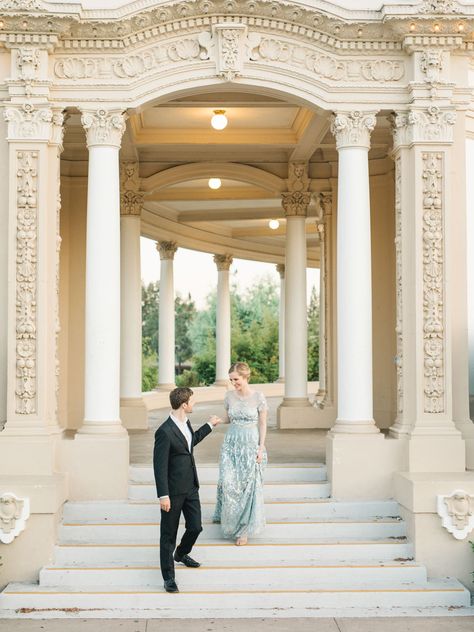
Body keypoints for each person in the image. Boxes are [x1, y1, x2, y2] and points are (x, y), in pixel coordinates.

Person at [153, 386, 221, 593]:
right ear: (184, 404)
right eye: (193, 401)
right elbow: (159, 466)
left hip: (191, 487)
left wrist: (210, 425)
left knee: (195, 527)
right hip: (172, 493)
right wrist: (163, 495)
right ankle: (168, 577)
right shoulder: (164, 431)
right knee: (168, 535)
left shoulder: (185, 423)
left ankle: (181, 554)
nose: (194, 403)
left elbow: (190, 443)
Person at [213, 362, 268, 545]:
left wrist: (261, 448)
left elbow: (262, 424)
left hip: (250, 445)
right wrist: (218, 421)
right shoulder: (229, 396)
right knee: (228, 483)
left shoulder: (259, 397)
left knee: (247, 487)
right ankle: (228, 517)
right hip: (231, 444)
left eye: (236, 379)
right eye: (231, 380)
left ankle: (243, 529)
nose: (233, 383)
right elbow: (229, 417)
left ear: (245, 377)